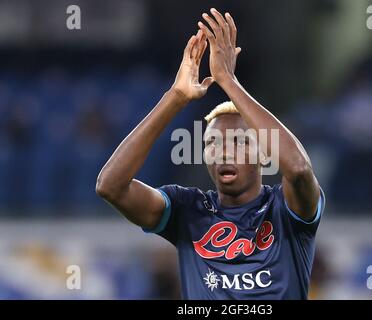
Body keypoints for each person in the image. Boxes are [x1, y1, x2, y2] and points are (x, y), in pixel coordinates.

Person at [96, 8, 325, 300]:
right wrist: (175, 98)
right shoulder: (187, 210)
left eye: (240, 142)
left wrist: (229, 81)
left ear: (264, 154)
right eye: (213, 143)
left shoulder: (285, 209)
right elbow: (110, 186)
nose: (224, 151)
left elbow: (300, 169)